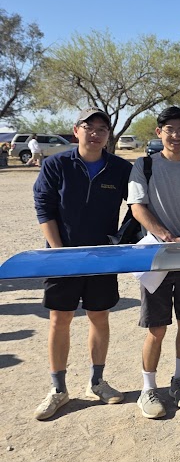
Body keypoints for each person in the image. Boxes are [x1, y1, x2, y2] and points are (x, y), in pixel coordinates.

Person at [32, 108, 131, 420]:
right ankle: (58, 389)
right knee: (59, 319)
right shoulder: (55, 164)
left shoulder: (119, 168)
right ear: (76, 131)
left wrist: (121, 239)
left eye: (102, 128)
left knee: (99, 317)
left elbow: (138, 205)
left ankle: (97, 382)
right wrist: (60, 253)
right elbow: (43, 206)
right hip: (61, 257)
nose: (96, 133)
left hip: (102, 258)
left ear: (107, 136)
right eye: (89, 127)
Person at [128, 106, 180, 419]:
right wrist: (165, 237)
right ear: (158, 132)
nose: (175, 135)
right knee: (157, 327)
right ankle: (148, 388)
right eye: (169, 129)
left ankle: (178, 381)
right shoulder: (144, 166)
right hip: (157, 259)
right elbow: (138, 207)